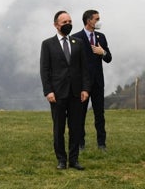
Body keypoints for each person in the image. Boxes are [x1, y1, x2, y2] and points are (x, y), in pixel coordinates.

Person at [40, 10, 90, 170]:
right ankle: (61, 159)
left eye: (70, 21)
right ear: (56, 25)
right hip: (57, 94)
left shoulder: (79, 43)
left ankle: (74, 160)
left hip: (76, 93)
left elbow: (85, 68)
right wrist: (48, 91)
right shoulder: (47, 44)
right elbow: (45, 70)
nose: (68, 24)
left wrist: (85, 89)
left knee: (76, 128)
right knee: (59, 128)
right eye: (64, 22)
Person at [72, 10, 112, 151]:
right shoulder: (75, 38)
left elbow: (108, 58)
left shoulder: (101, 37)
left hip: (98, 82)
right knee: (80, 114)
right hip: (82, 83)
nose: (99, 21)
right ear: (89, 21)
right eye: (97, 19)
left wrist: (103, 53)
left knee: (99, 114)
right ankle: (80, 143)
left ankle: (101, 143)